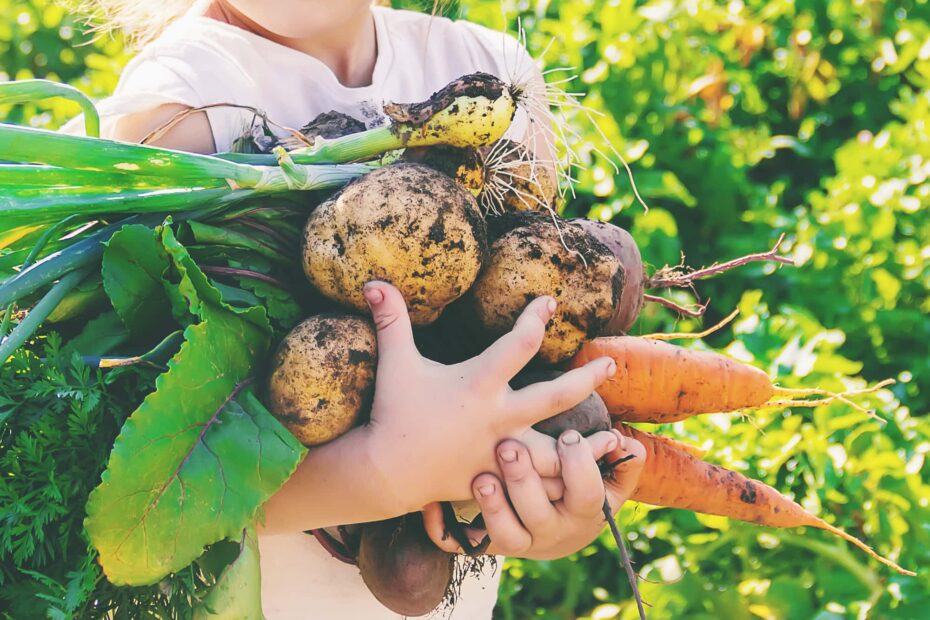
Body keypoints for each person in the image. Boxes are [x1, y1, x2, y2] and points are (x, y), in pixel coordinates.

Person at [82, 1, 646, 617]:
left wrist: (555, 508)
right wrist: (387, 472)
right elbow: (152, 493)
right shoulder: (180, 106)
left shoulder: (490, 72)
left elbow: (540, 326)